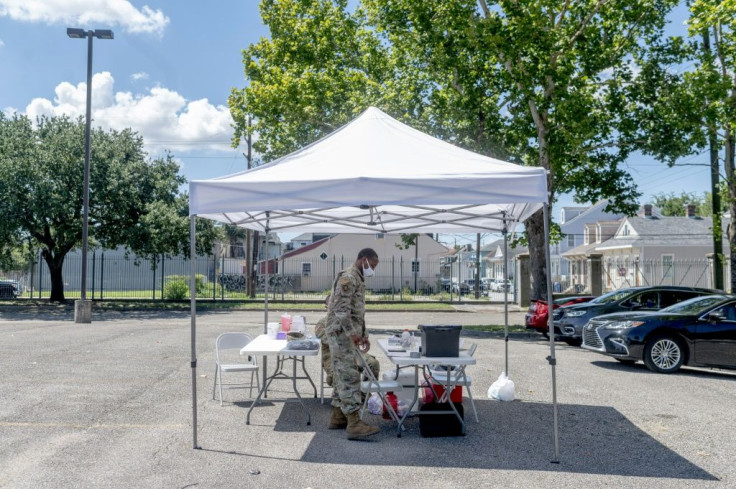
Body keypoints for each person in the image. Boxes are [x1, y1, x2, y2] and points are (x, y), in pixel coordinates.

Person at [324, 248, 381, 439]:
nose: (372, 269)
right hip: (341, 334)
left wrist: (363, 334)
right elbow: (340, 309)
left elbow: (357, 311)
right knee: (349, 376)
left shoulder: (357, 278)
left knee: (342, 374)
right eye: (372, 265)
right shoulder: (348, 277)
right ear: (363, 260)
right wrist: (352, 334)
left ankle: (338, 417)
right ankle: (354, 423)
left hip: (346, 334)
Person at [315, 294, 380, 391]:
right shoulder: (322, 324)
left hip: (354, 354)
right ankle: (343, 397)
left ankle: (365, 393)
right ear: (326, 308)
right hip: (333, 356)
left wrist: (361, 336)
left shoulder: (350, 322)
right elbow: (328, 340)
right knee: (340, 374)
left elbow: (363, 334)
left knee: (373, 363)